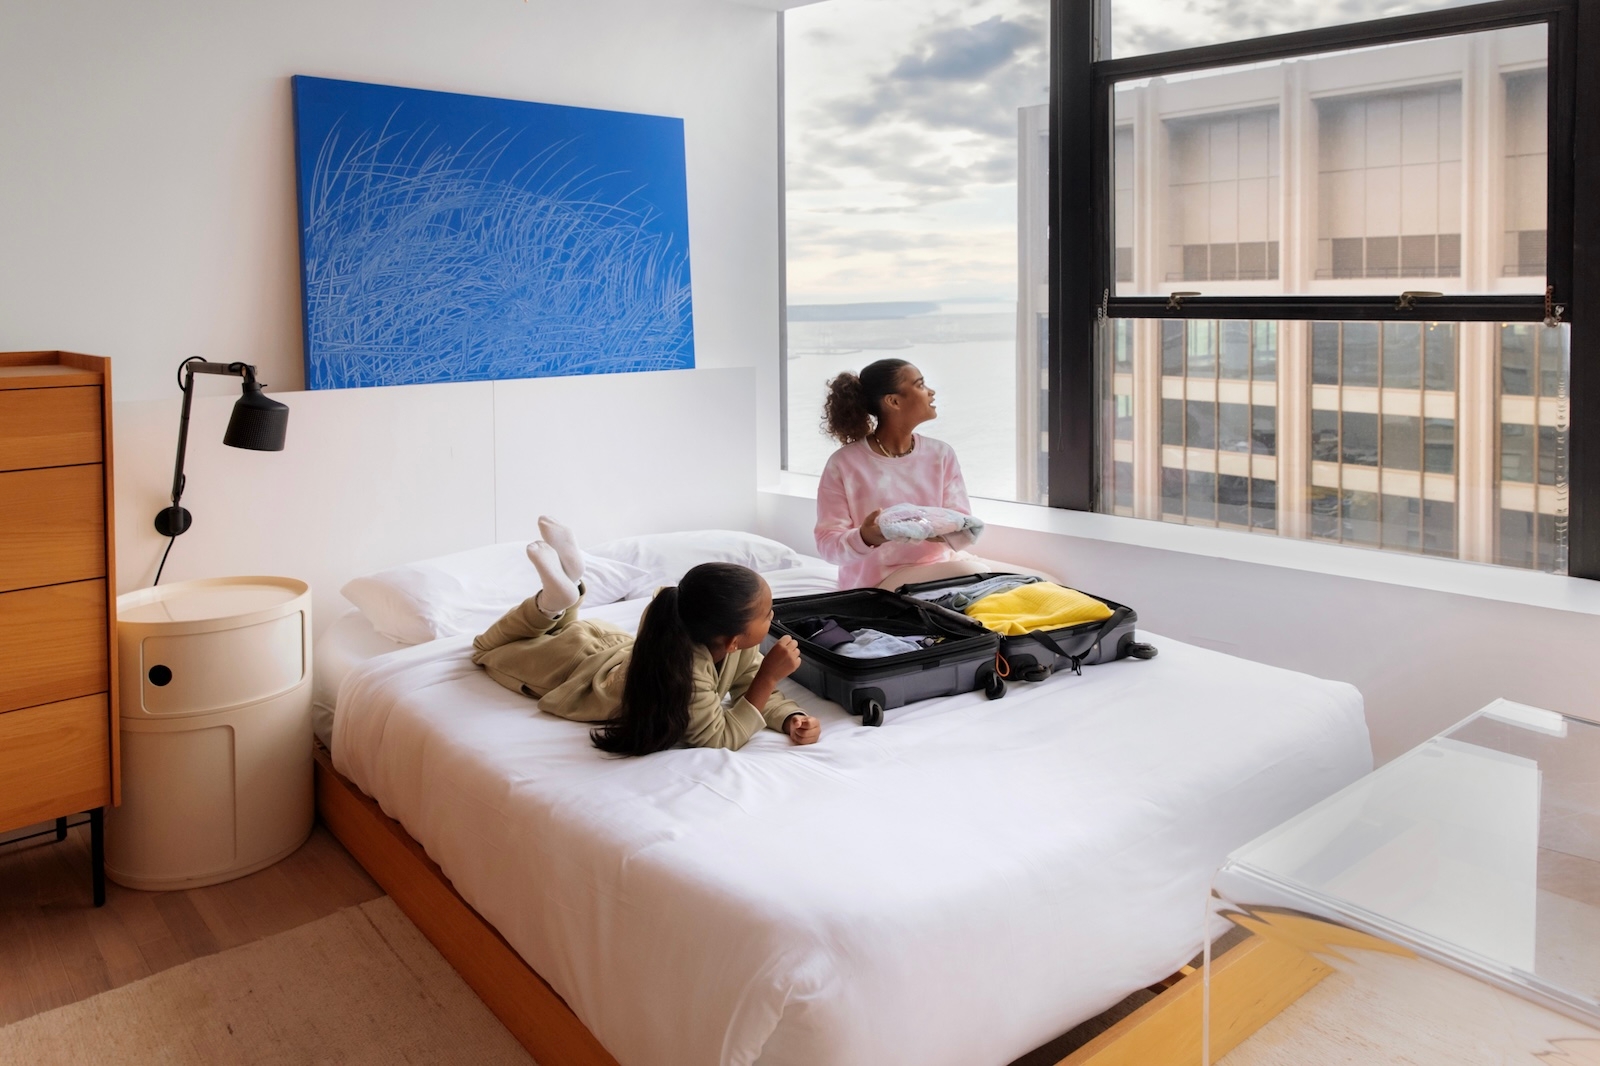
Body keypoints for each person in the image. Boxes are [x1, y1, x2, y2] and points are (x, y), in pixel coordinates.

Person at [473, 517, 821, 755]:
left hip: (605, 646)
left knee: (559, 628)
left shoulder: (720, 640)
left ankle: (568, 588)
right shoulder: (687, 671)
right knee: (487, 649)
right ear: (732, 638)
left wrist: (789, 717)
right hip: (573, 670)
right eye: (765, 614)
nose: (772, 617)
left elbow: (748, 684)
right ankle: (558, 598)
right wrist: (769, 676)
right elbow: (717, 737)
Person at [815, 359, 1051, 590]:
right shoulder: (844, 464)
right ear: (894, 401)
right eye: (920, 385)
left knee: (1046, 580)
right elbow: (828, 547)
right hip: (877, 585)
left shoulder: (941, 454)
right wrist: (866, 537)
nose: (931, 392)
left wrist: (928, 527)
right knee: (979, 573)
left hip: (940, 570)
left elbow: (963, 529)